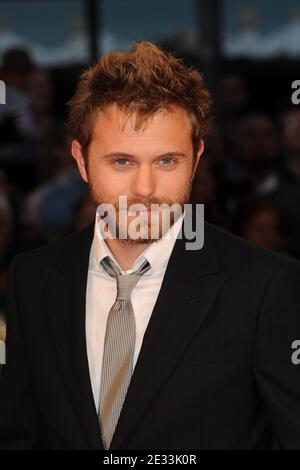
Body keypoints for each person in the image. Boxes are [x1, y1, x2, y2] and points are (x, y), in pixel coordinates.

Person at [0, 41, 300, 450]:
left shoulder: (266, 286)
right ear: (81, 161)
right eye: (122, 161)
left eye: (166, 161)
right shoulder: (32, 278)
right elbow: (21, 434)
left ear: (196, 160)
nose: (145, 189)